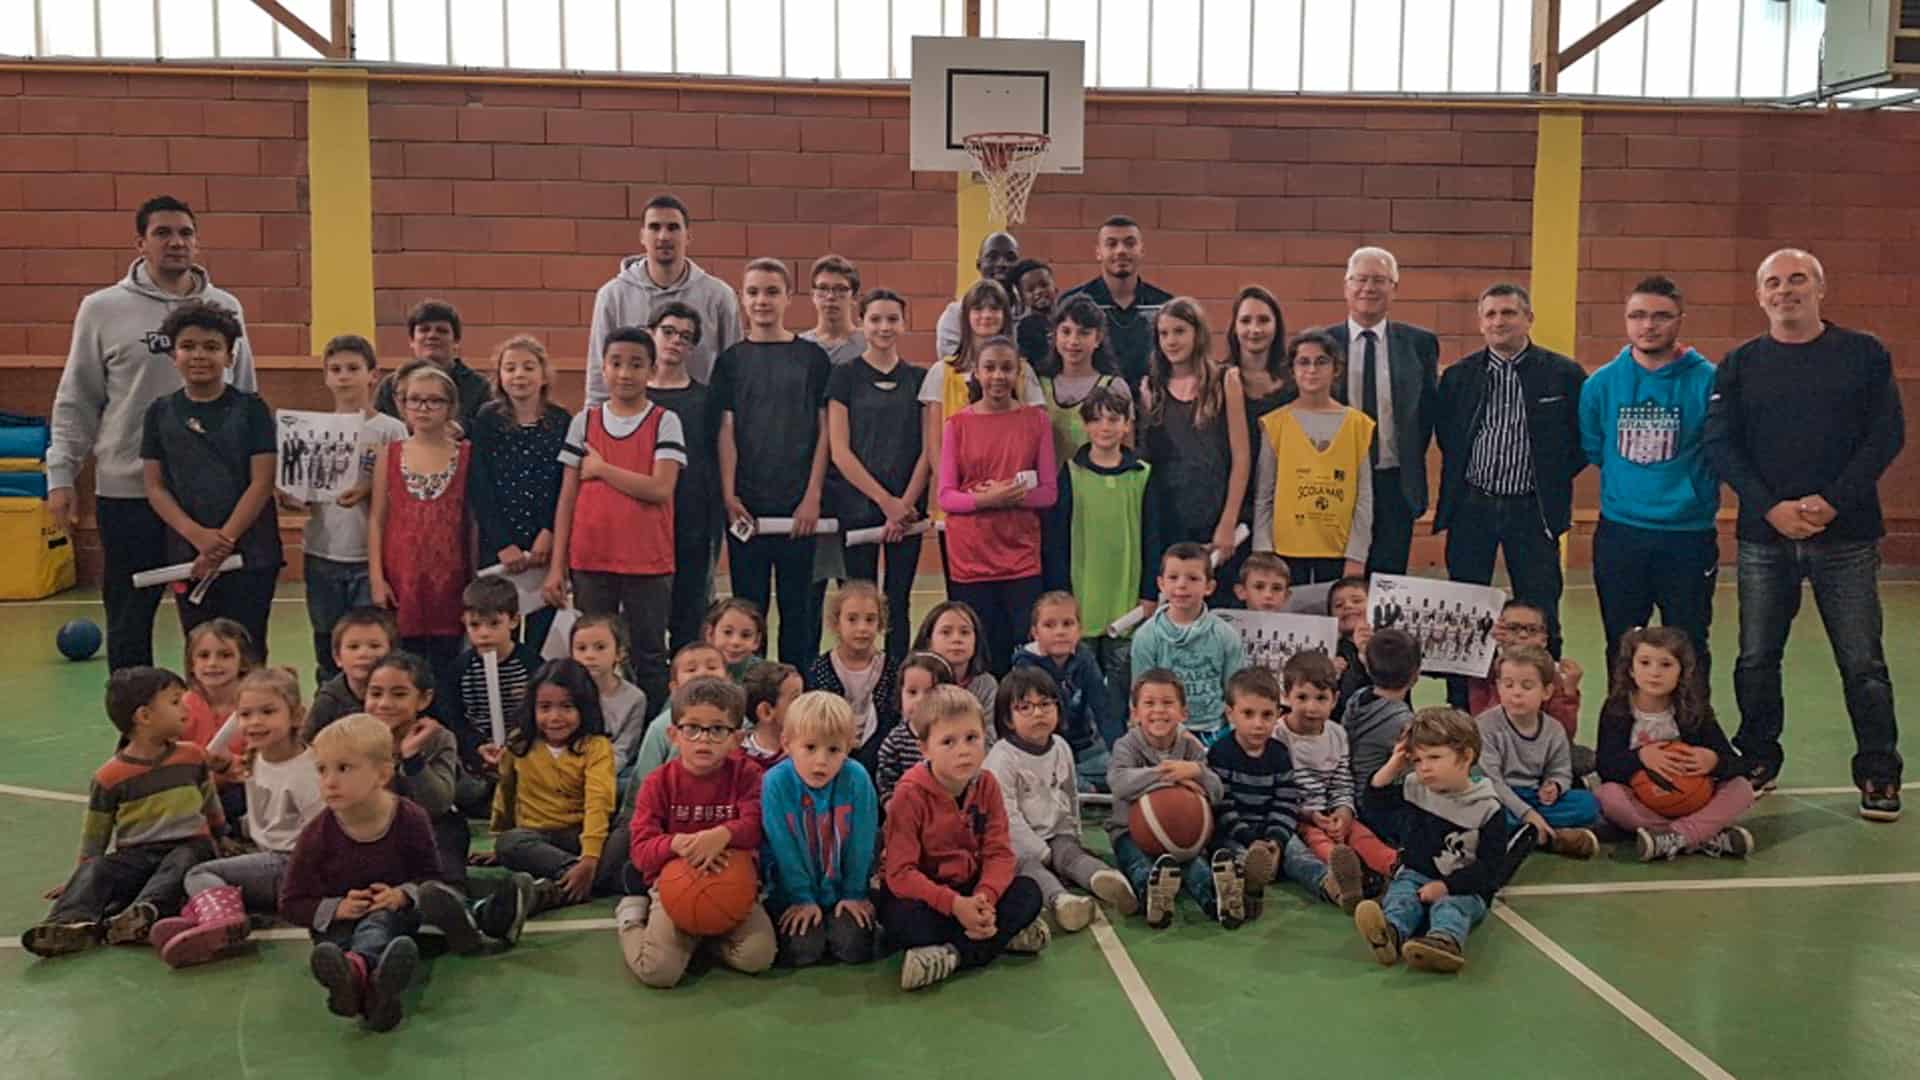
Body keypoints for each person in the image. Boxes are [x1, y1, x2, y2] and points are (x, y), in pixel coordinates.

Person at [1703, 248, 1905, 819]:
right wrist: (1770, 509)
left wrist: (1832, 502)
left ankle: (1878, 770)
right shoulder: (1740, 363)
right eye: (1773, 282)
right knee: (1757, 657)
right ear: (1759, 294)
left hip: (1847, 538)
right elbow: (1722, 443)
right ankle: (1759, 757)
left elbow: (1885, 436)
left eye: (1796, 280)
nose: (1784, 290)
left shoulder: (1863, 354)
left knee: (1862, 660)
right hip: (1765, 540)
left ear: (1819, 287)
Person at [47, 195, 258, 671]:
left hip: (209, 497)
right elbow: (77, 398)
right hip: (127, 489)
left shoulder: (225, 308)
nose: (175, 242)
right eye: (163, 233)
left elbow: (247, 396)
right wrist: (60, 475)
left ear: (196, 242)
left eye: (185, 233)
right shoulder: (102, 309)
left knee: (211, 625)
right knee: (128, 619)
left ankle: (213, 732)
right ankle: (135, 731)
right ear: (140, 243)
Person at [1577, 275, 1721, 687]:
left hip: (1687, 534)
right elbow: (1594, 448)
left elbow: (1719, 449)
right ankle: (1623, 736)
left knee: (1689, 643)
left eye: (1661, 316)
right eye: (1638, 315)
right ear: (1626, 321)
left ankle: (1690, 733)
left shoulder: (1708, 380)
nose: (1649, 325)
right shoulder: (1602, 384)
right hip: (1622, 533)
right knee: (1621, 642)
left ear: (1680, 320)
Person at [21, 666, 223, 957]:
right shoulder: (109, 777)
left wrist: (222, 836)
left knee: (187, 858)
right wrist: (81, 878)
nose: (185, 709)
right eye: (175, 701)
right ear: (144, 716)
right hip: (137, 856)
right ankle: (67, 924)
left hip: (187, 846)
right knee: (97, 869)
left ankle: (142, 913)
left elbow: (209, 802)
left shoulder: (192, 756)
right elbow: (95, 837)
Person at [1434, 283, 1587, 656]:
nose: (1499, 321)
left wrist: (1549, 477)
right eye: (1490, 314)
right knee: (1465, 612)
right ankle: (1462, 704)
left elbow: (1582, 440)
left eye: (1509, 313)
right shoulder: (1458, 377)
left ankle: (1545, 697)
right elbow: (1448, 436)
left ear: (1528, 319)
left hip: (1533, 511)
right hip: (1473, 507)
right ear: (1480, 323)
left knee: (1541, 610)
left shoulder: (1564, 374)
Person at [545, 326, 683, 713]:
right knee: (590, 658)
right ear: (602, 369)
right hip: (591, 559)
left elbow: (660, 488)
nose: (625, 373)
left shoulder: (664, 421)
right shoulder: (584, 422)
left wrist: (603, 469)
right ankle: (591, 734)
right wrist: (558, 567)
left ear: (651, 370)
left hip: (648, 560)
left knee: (650, 656)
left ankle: (652, 742)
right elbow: (567, 497)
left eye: (636, 364)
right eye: (616, 363)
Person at [150, 667, 323, 967]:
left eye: (268, 711)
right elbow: (214, 752)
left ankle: (223, 920)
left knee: (199, 874)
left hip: (292, 865)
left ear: (296, 716)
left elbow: (323, 832)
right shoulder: (257, 756)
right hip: (272, 859)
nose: (254, 722)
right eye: (245, 714)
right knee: (201, 869)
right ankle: (207, 920)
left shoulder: (307, 769)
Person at [279, 713, 441, 1032]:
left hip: (393, 915)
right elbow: (291, 902)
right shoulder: (317, 834)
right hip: (338, 924)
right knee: (334, 944)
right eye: (322, 770)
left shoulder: (410, 818)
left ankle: (357, 972)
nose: (329, 781)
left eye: (344, 768)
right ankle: (375, 993)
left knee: (378, 924)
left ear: (381, 774)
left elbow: (431, 878)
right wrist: (336, 907)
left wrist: (401, 895)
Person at [883, 685, 1048, 990]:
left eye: (972, 738)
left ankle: (951, 955)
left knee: (1029, 892)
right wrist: (956, 905)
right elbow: (900, 874)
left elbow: (999, 854)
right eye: (948, 741)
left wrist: (985, 898)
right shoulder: (909, 793)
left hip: (972, 889)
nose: (963, 750)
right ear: (925, 749)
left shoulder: (987, 785)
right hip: (929, 895)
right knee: (903, 922)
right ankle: (1000, 937)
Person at [139, 301, 280, 652]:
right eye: (188, 346)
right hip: (190, 555)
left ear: (230, 357)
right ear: (173, 355)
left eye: (212, 347)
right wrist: (197, 536)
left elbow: (261, 482)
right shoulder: (159, 413)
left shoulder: (252, 410)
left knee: (248, 648)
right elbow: (155, 487)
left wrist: (224, 540)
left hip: (252, 553)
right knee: (202, 650)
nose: (199, 355)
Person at [621, 677, 777, 989]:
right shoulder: (658, 783)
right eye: (692, 728)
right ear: (673, 735)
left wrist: (722, 835)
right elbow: (640, 850)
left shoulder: (748, 775)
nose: (703, 739)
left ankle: (701, 939)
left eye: (718, 729)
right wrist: (678, 844)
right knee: (659, 973)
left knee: (758, 957)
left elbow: (758, 826)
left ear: (737, 738)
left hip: (733, 885)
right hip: (673, 887)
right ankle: (629, 917)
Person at [715, 258, 833, 667]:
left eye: (770, 291)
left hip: (798, 508)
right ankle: (751, 700)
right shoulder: (730, 362)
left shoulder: (813, 359)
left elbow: (825, 431)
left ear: (787, 297)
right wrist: (729, 493)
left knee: (800, 613)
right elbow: (726, 431)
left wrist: (813, 496)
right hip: (747, 508)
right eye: (753, 292)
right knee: (749, 614)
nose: (761, 300)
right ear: (742, 299)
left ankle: (797, 701)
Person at [1355, 707, 1509, 974]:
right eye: (1417, 760)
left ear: (1466, 757)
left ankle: (1443, 942)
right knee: (1401, 899)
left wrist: (1447, 886)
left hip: (1464, 886)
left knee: (1452, 908)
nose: (1424, 768)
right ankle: (1389, 936)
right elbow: (1373, 803)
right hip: (1415, 874)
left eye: (1435, 757)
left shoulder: (1487, 809)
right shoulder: (1415, 786)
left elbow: (1491, 871)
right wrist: (1394, 765)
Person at [939, 337, 1058, 676]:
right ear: (976, 372)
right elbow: (947, 497)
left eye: (1006, 368)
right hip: (971, 559)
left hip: (1020, 558)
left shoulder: (1035, 421)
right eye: (989, 368)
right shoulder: (957, 425)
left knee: (1022, 655)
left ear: (1018, 372)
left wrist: (1011, 495)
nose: (998, 376)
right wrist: (986, 500)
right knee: (978, 655)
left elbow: (1048, 493)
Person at [1042, 385, 1157, 738]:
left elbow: (1153, 536)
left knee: (1121, 684)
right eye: (1097, 420)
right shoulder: (1071, 474)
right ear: (1085, 426)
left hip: (1127, 603)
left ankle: (1120, 745)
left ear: (1126, 425)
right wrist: (1061, 593)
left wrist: (1150, 591)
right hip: (1082, 599)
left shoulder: (1142, 474)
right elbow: (1056, 540)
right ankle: (1078, 745)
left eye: (1114, 419)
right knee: (1078, 685)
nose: (1105, 427)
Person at [293, 336, 409, 685]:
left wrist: (367, 490)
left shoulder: (391, 429)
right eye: (335, 369)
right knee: (328, 640)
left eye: (353, 369)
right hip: (323, 551)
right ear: (326, 377)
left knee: (374, 646)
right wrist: (292, 497)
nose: (344, 376)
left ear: (373, 375)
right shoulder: (312, 430)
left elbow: (401, 491)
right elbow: (299, 488)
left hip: (369, 557)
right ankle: (331, 714)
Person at [984, 667, 1133, 933]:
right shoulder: (1002, 758)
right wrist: (1039, 851)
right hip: (1015, 844)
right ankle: (1060, 900)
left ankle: (1102, 878)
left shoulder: (1061, 746)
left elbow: (1070, 794)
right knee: (1029, 869)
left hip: (1055, 833)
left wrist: (1073, 832)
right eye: (1025, 707)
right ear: (1007, 718)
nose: (1038, 713)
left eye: (1045, 704)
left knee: (1071, 854)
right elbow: (1006, 816)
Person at [1325, 247, 1441, 576]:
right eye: (1360, 279)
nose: (1368, 288)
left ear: (1395, 288)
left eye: (1379, 280)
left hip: (1394, 482)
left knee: (1389, 579)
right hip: (1335, 482)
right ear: (1346, 286)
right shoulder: (1322, 342)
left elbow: (1427, 413)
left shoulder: (1420, 343)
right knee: (1338, 581)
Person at [1595, 627, 1757, 861]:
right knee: (1606, 795)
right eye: (1645, 662)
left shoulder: (1693, 709)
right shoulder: (1617, 709)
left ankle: (1672, 837)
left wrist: (1714, 761)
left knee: (1742, 789)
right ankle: (1704, 837)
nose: (1655, 673)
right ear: (1631, 669)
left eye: (1666, 664)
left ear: (1682, 671)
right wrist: (1640, 757)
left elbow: (1736, 764)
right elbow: (1606, 767)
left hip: (1694, 800)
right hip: (1645, 803)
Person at [827, 289, 929, 659]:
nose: (884, 327)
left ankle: (898, 683)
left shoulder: (920, 379)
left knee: (897, 603)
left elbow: (928, 450)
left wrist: (905, 503)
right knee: (857, 605)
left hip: (908, 513)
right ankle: (855, 678)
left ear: (904, 323)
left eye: (892, 319)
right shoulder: (844, 377)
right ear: (862, 323)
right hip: (857, 509)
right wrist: (885, 501)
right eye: (875, 319)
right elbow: (839, 450)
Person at [368, 364, 473, 700]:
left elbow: (472, 521)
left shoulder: (467, 455)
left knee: (447, 672)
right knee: (404, 668)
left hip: (451, 581)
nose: (423, 408)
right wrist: (376, 577)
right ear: (403, 406)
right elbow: (377, 518)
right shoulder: (391, 453)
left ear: (450, 407)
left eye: (433, 401)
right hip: (402, 581)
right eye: (415, 401)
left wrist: (473, 580)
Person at [487, 659, 624, 907]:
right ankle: (579, 877)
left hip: (583, 835)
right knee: (509, 844)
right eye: (545, 707)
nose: (555, 717)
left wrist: (590, 857)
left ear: (585, 708)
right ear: (532, 709)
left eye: (567, 707)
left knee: (630, 826)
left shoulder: (596, 746)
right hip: (538, 839)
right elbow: (505, 791)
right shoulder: (519, 744)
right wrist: (498, 838)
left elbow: (598, 802)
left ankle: (555, 890)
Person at [760, 691, 882, 968]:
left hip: (844, 889)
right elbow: (782, 848)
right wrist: (801, 897)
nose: (821, 761)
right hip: (792, 893)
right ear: (787, 744)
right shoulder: (775, 784)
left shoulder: (857, 779)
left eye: (834, 750)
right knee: (803, 951)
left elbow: (862, 844)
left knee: (852, 947)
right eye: (810, 747)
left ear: (849, 747)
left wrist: (854, 893)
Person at [1138, 298, 1252, 590]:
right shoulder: (1151, 388)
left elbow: (1241, 458)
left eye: (1179, 331)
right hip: (1169, 516)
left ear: (1197, 334)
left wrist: (1228, 522)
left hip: (1215, 514)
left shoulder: (1226, 380)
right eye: (1163, 334)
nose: (1171, 341)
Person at [467, 335, 570, 654]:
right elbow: (479, 486)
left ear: (543, 375)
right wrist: (502, 544)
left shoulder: (561, 421)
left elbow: (562, 485)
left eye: (528, 367)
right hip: (499, 548)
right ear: (499, 376)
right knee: (499, 633)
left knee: (542, 636)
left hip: (545, 547)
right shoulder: (487, 419)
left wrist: (548, 534)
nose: (519, 375)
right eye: (510, 368)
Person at [1106, 669, 1232, 929]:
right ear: (1135, 713)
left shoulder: (1191, 746)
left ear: (1184, 713)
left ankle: (1217, 901)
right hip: (1129, 832)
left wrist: (1196, 771)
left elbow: (1217, 791)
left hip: (1183, 834)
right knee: (1140, 865)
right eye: (1149, 703)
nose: (1159, 711)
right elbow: (1119, 783)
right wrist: (1167, 774)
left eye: (1167, 703)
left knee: (1195, 866)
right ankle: (1152, 897)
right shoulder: (1126, 745)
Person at [1275, 652, 1398, 909]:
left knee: (1362, 835)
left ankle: (1395, 867)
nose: (1311, 707)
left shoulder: (1337, 734)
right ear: (1285, 697)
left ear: (1335, 700)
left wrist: (1344, 813)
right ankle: (1350, 877)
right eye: (1302, 697)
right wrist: (1310, 815)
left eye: (1321, 698)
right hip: (1297, 815)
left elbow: (1342, 780)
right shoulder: (1278, 735)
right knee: (1317, 842)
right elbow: (1280, 789)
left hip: (1332, 810)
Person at [588, 192, 743, 396]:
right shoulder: (613, 295)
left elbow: (735, 370)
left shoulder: (719, 296)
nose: (663, 236)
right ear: (642, 236)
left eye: (673, 227)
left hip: (701, 418)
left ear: (688, 236)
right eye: (654, 227)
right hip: (634, 418)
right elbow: (599, 371)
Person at [1253, 329, 1374, 584]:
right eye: (1303, 362)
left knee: (1331, 622)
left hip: (1337, 550)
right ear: (1292, 370)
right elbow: (1264, 494)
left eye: (1321, 361)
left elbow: (1363, 498)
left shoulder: (1357, 424)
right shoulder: (1276, 423)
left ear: (1336, 369)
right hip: (1285, 551)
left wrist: (1357, 555)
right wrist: (1262, 552)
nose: (1312, 370)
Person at [647, 303, 724, 652]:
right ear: (652, 333)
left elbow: (716, 460)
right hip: (643, 524)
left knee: (689, 617)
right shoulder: (635, 397)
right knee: (643, 621)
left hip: (693, 524)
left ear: (693, 348)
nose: (675, 341)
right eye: (668, 332)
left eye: (685, 337)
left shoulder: (706, 399)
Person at [1474, 645, 1600, 860]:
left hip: (1532, 795)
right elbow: (1492, 781)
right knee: (1483, 811)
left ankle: (1529, 835)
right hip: (1497, 796)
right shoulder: (1486, 725)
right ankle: (1550, 836)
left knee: (1588, 804)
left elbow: (1560, 769)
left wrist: (1555, 785)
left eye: (1527, 686)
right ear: (1498, 687)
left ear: (1546, 691)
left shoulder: (1553, 729)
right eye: (1509, 685)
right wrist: (1528, 814)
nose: (1516, 693)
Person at [1206, 668, 1299, 921]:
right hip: (1235, 834)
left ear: (1278, 715)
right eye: (1248, 714)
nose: (1258, 724)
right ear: (1230, 713)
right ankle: (1250, 887)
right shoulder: (1221, 752)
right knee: (1231, 856)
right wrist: (1250, 839)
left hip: (1270, 835)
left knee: (1299, 855)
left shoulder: (1279, 754)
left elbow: (1287, 801)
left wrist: (1276, 841)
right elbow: (1222, 806)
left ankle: (1330, 885)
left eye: (1267, 715)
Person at [1130, 542, 1247, 742]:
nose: (1181, 585)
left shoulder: (1226, 635)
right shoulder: (1146, 636)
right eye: (1173, 578)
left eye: (1193, 578)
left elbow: (1235, 691)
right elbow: (1141, 693)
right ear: (1161, 584)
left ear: (1209, 586)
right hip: (1164, 732)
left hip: (1214, 731)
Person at [1010, 591, 1120, 791]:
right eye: (1049, 625)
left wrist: (1121, 758)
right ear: (1035, 632)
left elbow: (1104, 709)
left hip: (1084, 748)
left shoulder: (1084, 659)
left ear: (1079, 630)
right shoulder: (1025, 667)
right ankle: (1074, 784)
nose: (1060, 632)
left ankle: (1079, 781)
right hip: (1043, 751)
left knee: (1120, 770)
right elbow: (1030, 725)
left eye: (1068, 624)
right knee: (1058, 781)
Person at [452, 575, 543, 812]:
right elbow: (455, 718)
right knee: (468, 791)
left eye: (494, 624)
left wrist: (515, 744)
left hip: (522, 751)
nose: (484, 634)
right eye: (475, 625)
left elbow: (540, 713)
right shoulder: (460, 669)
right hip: (479, 758)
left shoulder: (531, 664)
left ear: (513, 621)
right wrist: (478, 746)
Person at [1060, 216, 1173, 386]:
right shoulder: (1072, 303)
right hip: (1091, 404)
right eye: (1111, 244)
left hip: (1152, 403)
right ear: (1098, 252)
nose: (1121, 251)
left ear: (1142, 250)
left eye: (1130, 243)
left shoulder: (1165, 304)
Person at [804, 580, 899, 774]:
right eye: (852, 619)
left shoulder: (890, 668)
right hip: (833, 753)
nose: (862, 628)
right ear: (836, 623)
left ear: (880, 624)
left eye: (870, 619)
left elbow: (891, 719)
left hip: (879, 755)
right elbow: (819, 720)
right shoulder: (821, 668)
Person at [1457, 599, 1583, 739]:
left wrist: (1569, 692)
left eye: (1533, 630)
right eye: (1513, 628)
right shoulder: (1483, 673)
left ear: (1544, 639)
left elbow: (1565, 734)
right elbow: (1485, 728)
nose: (1523, 635)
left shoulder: (1554, 676)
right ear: (1498, 633)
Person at [1345, 628, 1421, 845]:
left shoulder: (1357, 698)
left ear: (1367, 668)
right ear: (1416, 675)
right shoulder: (1403, 723)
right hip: (1375, 805)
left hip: (1351, 793)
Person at [373, 300, 492, 435]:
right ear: (411, 340)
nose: (432, 335)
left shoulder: (479, 386)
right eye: (424, 329)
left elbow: (488, 431)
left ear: (456, 341)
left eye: (441, 330)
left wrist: (462, 428)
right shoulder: (390, 386)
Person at [1038, 294, 1125, 468]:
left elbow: (1125, 450)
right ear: (1055, 335)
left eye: (1084, 333)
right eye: (1066, 331)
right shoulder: (1038, 385)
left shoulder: (1113, 387)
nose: (1073, 341)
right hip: (1049, 490)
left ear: (1098, 339)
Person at [875, 651, 956, 807]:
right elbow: (886, 781)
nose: (919, 700)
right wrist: (892, 805)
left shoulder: (955, 737)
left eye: (930, 692)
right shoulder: (896, 740)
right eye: (912, 692)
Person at [305, 607, 397, 740]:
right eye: (353, 647)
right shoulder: (328, 700)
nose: (364, 654)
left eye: (374, 646)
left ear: (392, 653)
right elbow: (307, 743)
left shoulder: (403, 692)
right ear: (337, 657)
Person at [570, 613, 650, 766]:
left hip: (608, 771)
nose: (589, 655)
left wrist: (597, 774)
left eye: (600, 647)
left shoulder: (635, 698)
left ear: (619, 653)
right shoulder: (564, 692)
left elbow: (624, 750)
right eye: (581, 648)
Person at [936, 231, 1021, 358]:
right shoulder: (955, 315)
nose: (1001, 263)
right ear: (979, 264)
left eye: (1010, 258)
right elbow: (954, 363)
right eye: (992, 257)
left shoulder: (1030, 313)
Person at [912, 601, 999, 715]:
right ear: (929, 642)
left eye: (965, 632)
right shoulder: (918, 681)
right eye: (946, 632)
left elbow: (990, 730)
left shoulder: (986, 685)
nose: (956, 639)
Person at [1227, 285, 1294, 425]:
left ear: (1277, 325)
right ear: (1234, 327)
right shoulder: (1217, 380)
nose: (1255, 329)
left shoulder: (1295, 381)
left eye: (1263, 320)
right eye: (1245, 321)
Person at [801, 254, 867, 365]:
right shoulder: (799, 347)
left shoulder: (869, 345)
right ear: (813, 295)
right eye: (823, 288)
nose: (830, 296)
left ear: (855, 297)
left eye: (840, 289)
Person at [739, 660, 802, 770]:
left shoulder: (808, 751)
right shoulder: (738, 763)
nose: (806, 703)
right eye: (795, 698)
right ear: (766, 712)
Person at [1007, 257, 1058, 372]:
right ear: (1022, 298)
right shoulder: (1025, 328)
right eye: (1030, 289)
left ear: (1055, 287)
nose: (1039, 291)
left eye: (1044, 285)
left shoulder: (1068, 318)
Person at [704, 596, 768, 683]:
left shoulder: (765, 675)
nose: (736, 642)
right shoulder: (697, 670)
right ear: (710, 634)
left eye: (746, 635)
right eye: (727, 632)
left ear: (756, 641)